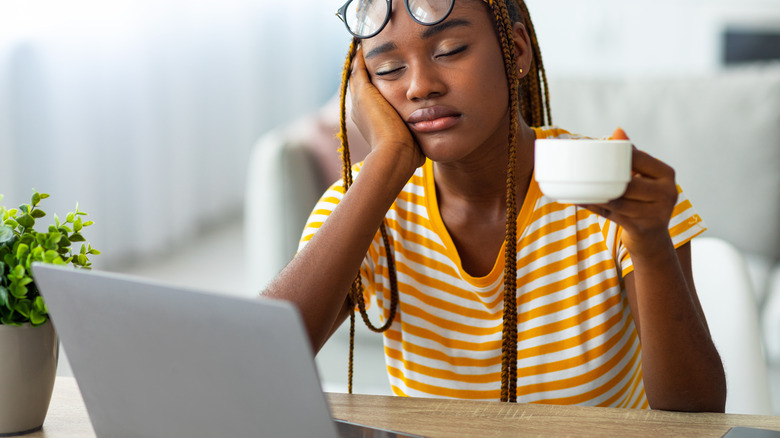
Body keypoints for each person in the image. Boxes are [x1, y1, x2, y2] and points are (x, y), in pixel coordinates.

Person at [263, 0, 726, 411]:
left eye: (449, 51)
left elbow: (696, 408)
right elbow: (260, 357)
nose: (420, 86)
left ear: (517, 50)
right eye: (388, 71)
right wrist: (387, 162)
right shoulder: (362, 204)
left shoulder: (611, 189)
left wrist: (648, 241)